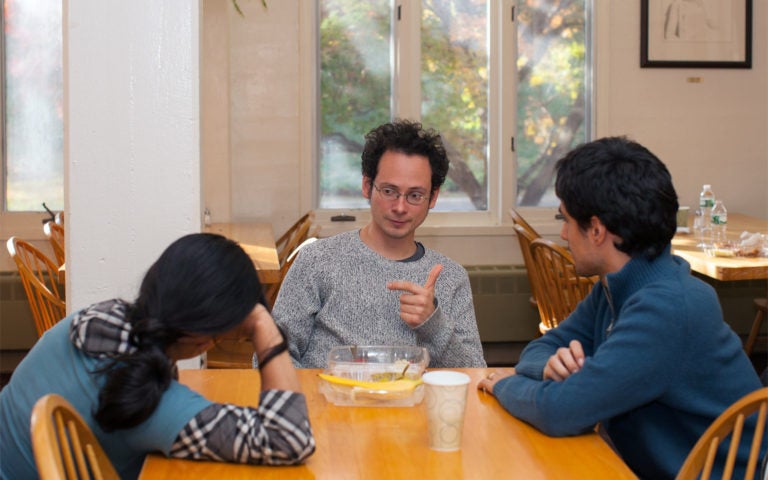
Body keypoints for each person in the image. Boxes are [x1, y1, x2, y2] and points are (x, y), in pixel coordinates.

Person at [477, 137, 765, 479]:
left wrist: (502, 385)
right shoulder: (617, 285)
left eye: (566, 219)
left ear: (597, 230)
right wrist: (550, 367)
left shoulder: (667, 308)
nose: (564, 233)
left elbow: (560, 411)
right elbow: (538, 350)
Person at [0, 233, 315, 479]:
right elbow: (288, 439)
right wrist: (263, 324)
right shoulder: (153, 406)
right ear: (206, 339)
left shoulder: (98, 318)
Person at [271, 119, 486, 369]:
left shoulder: (451, 278)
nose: (400, 207)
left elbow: (475, 374)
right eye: (388, 191)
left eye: (415, 195)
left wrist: (433, 324)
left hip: (413, 407)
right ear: (366, 186)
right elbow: (271, 355)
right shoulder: (317, 260)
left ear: (433, 197)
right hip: (329, 404)